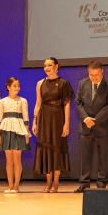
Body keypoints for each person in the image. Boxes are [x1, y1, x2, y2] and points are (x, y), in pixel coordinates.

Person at [74, 61, 108, 192]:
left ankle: (102, 182)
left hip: (103, 126)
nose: (94, 77)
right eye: (91, 75)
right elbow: (78, 102)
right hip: (85, 126)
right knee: (85, 157)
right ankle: (84, 184)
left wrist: (94, 120)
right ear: (88, 72)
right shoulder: (82, 83)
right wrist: (86, 118)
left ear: (102, 71)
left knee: (103, 156)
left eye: (96, 75)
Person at [34, 57, 74, 192]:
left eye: (49, 65)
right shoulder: (40, 83)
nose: (46, 68)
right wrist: (34, 121)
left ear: (56, 66)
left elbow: (66, 104)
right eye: (45, 65)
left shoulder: (64, 83)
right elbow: (38, 104)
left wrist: (66, 123)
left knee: (57, 148)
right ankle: (48, 181)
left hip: (58, 117)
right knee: (46, 149)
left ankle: (56, 181)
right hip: (44, 118)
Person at [0, 77, 31, 194]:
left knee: (17, 158)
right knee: (9, 159)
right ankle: (10, 185)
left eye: (18, 86)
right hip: (6, 129)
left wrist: (26, 134)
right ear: (8, 87)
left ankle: (16, 185)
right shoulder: (2, 101)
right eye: (14, 86)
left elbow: (26, 118)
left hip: (18, 129)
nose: (17, 88)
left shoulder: (22, 101)